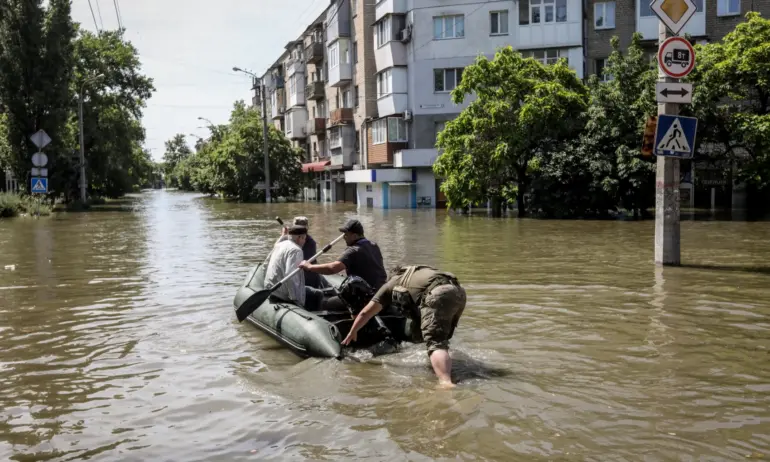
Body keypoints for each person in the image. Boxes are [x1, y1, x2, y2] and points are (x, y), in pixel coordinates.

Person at [341, 265, 466, 387]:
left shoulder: (391, 284)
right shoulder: (417, 272)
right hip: (458, 291)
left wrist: (353, 331)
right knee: (441, 338)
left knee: (435, 342)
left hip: (438, 293)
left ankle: (445, 382)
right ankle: (442, 365)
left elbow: (366, 312)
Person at [299, 218, 387, 291]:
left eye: (346, 235)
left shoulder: (353, 250)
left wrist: (309, 266)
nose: (344, 237)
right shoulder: (374, 246)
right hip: (380, 291)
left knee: (324, 302)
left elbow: (332, 268)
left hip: (366, 295)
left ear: (355, 236)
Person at [264, 225, 308, 306]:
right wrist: (297, 300)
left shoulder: (279, 245)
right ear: (299, 238)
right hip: (283, 294)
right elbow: (290, 275)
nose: (305, 241)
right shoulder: (296, 250)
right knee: (317, 294)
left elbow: (265, 265)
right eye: (304, 238)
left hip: (270, 289)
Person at [275, 216, 320, 288]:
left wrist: (284, 236)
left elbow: (300, 264)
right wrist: (283, 235)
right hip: (293, 277)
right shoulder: (288, 237)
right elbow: (275, 249)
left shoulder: (310, 243)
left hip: (304, 279)